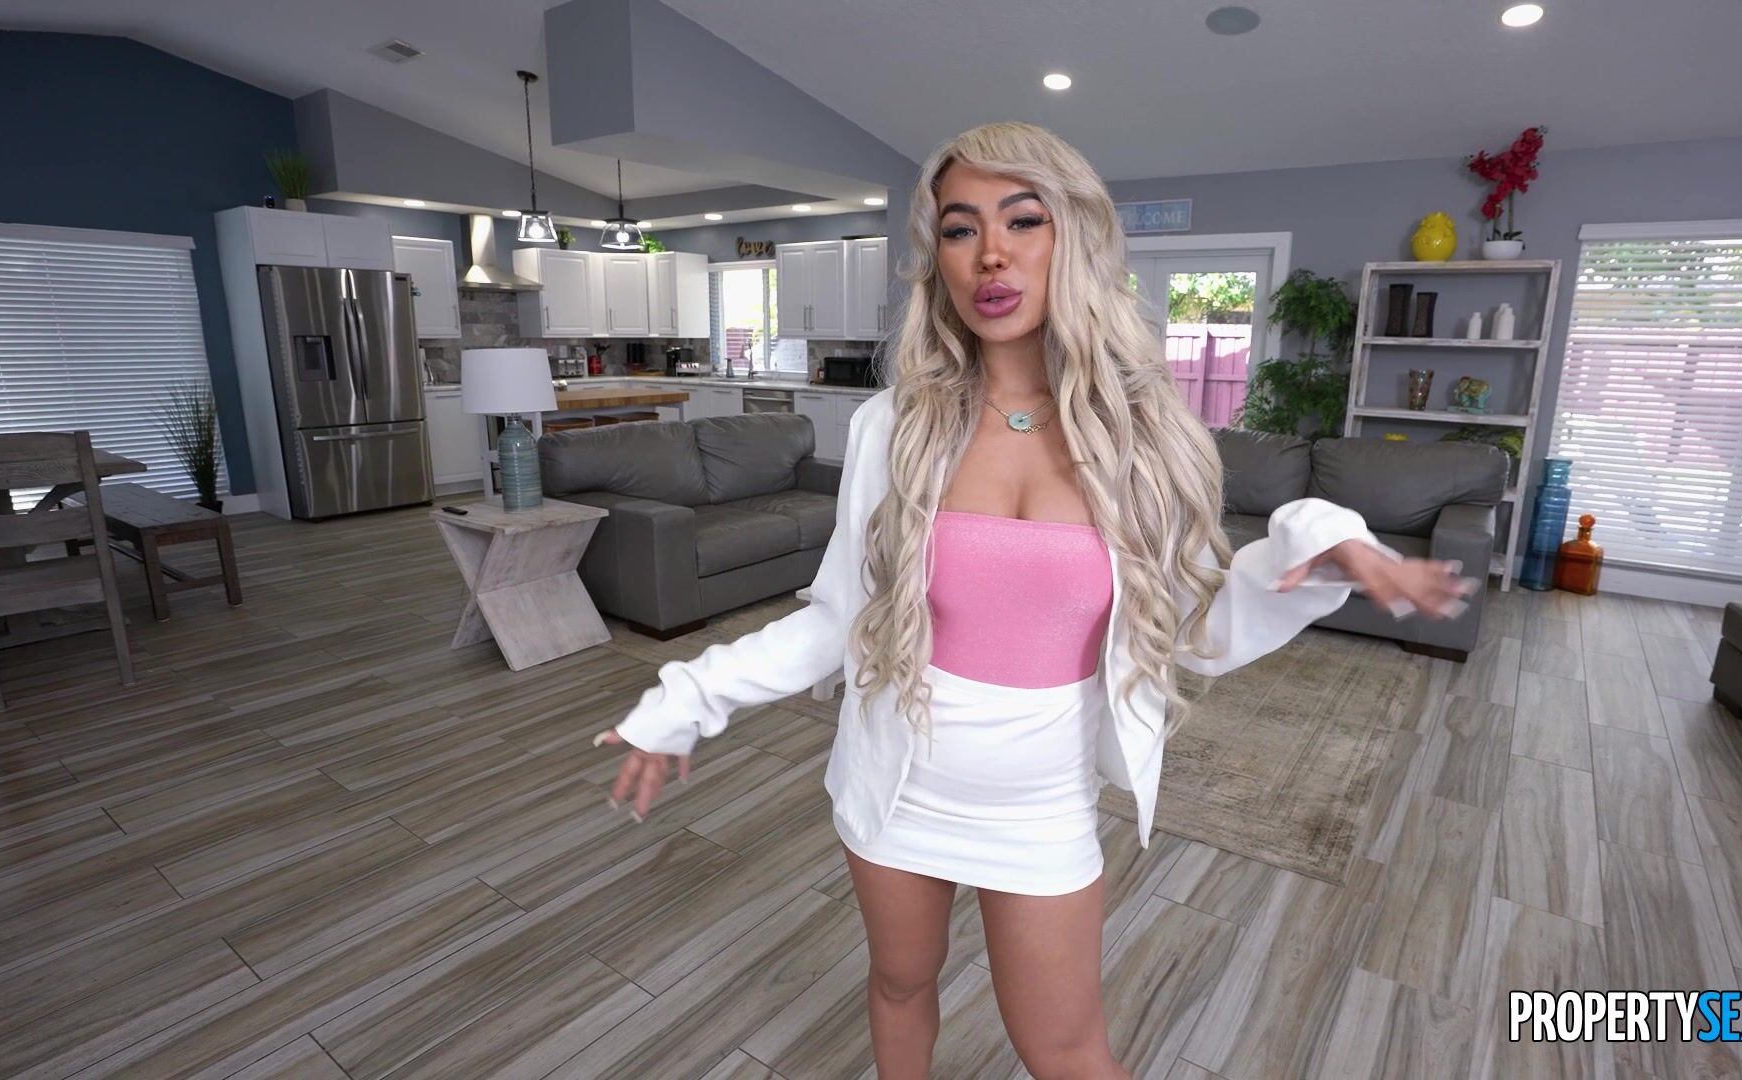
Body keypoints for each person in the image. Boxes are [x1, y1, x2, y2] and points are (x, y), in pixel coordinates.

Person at [594, 122, 1475, 1080]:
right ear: (939, 257)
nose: (991, 253)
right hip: (896, 783)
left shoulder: (1142, 437)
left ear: (1076, 238)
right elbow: (837, 619)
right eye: (960, 228)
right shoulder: (895, 426)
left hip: (1043, 804)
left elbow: (1194, 628)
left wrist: (1321, 546)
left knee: (1066, 1050)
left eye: (1023, 220)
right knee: (900, 985)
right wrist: (688, 699)